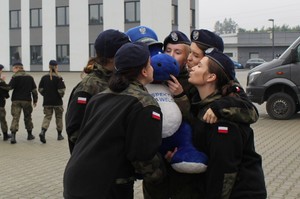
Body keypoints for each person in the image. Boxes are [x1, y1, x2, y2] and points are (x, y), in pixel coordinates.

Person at [63, 42, 165, 199]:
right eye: (150, 64)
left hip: (76, 180)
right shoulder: (144, 104)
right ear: (144, 71)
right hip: (107, 187)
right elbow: (142, 154)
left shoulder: (100, 96)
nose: (153, 68)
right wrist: (161, 174)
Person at [185, 47, 267, 198]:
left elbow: (223, 173)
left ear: (211, 77)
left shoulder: (222, 119)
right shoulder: (202, 106)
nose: (192, 66)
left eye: (199, 65)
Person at [65, 29, 130, 153]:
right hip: (96, 163)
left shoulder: (118, 78)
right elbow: (74, 129)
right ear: (113, 57)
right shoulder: (88, 87)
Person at [8, 62, 38, 144]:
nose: (12, 70)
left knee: (15, 117)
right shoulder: (30, 77)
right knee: (28, 117)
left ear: (17, 68)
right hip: (27, 101)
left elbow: (9, 87)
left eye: (13, 68)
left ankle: (13, 136)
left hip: (16, 100)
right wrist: (35, 100)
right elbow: (34, 90)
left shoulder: (14, 77)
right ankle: (29, 135)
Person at [38, 60, 66, 144]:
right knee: (59, 117)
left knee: (47, 117)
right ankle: (59, 135)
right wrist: (59, 96)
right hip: (57, 102)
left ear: (49, 66)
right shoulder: (59, 78)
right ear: (56, 67)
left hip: (47, 101)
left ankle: (43, 131)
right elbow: (61, 90)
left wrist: (46, 95)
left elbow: (40, 89)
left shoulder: (44, 77)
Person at [0, 64, 11, 141]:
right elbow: (6, 94)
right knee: (2, 120)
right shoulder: (1, 82)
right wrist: (3, 81)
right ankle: (5, 135)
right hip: (0, 104)